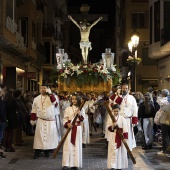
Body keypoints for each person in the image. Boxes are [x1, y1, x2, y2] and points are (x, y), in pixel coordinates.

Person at [30, 85, 58, 159]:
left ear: (48, 89)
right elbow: (34, 109)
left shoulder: (52, 97)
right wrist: (33, 119)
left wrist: (50, 94)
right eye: (41, 88)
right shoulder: (36, 99)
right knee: (39, 137)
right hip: (41, 121)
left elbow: (55, 104)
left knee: (49, 137)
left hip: (50, 121)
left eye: (44, 88)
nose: (43, 89)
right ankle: (37, 152)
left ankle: (47, 152)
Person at [62, 93, 85, 170]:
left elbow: (83, 120)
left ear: (78, 100)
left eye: (75, 99)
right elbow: (64, 118)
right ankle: (66, 163)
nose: (74, 100)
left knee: (76, 146)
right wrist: (67, 124)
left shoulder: (82, 109)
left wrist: (80, 114)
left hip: (77, 129)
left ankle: (75, 163)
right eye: (73, 99)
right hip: (70, 129)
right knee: (67, 146)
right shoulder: (68, 109)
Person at [107, 104, 128, 170]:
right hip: (113, 136)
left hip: (120, 137)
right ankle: (112, 166)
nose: (116, 112)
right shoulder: (110, 118)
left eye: (117, 111)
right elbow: (108, 127)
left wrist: (125, 138)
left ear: (119, 111)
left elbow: (125, 129)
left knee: (119, 152)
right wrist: (112, 126)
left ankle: (119, 166)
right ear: (112, 111)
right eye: (114, 111)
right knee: (112, 151)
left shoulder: (122, 118)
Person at [119, 83, 138, 151]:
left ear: (128, 89)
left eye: (126, 88)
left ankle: (128, 150)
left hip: (128, 119)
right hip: (120, 119)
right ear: (121, 89)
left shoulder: (131, 98)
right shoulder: (119, 97)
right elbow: (113, 106)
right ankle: (121, 149)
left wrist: (134, 120)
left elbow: (135, 109)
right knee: (120, 134)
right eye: (123, 88)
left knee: (128, 135)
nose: (125, 90)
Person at [0, 87, 7, 158]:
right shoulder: (1, 102)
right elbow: (1, 112)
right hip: (1, 121)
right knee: (0, 136)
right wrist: (4, 120)